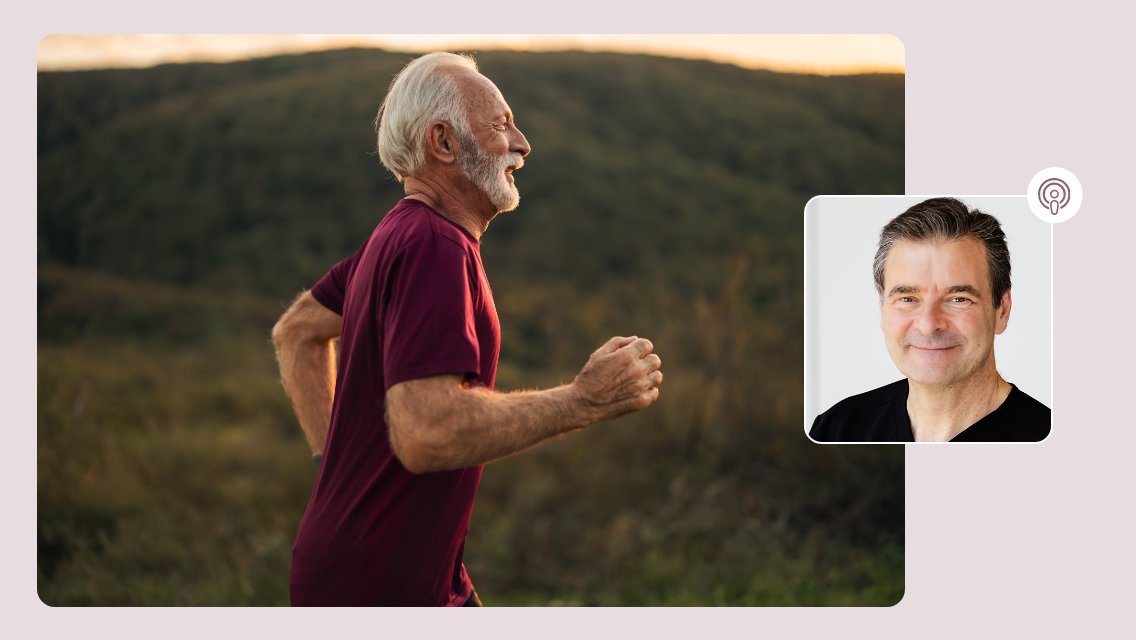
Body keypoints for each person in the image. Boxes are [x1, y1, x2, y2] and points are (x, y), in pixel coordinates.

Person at [270, 52, 663, 606]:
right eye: (501, 125)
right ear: (445, 144)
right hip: (378, 591)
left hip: (396, 577)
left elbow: (295, 332)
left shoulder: (396, 234)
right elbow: (427, 432)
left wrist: (333, 466)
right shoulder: (433, 245)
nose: (523, 143)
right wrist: (584, 401)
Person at [809, 197, 1050, 443]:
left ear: (1002, 310)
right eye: (907, 299)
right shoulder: (837, 429)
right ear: (882, 310)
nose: (928, 324)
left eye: (958, 299)